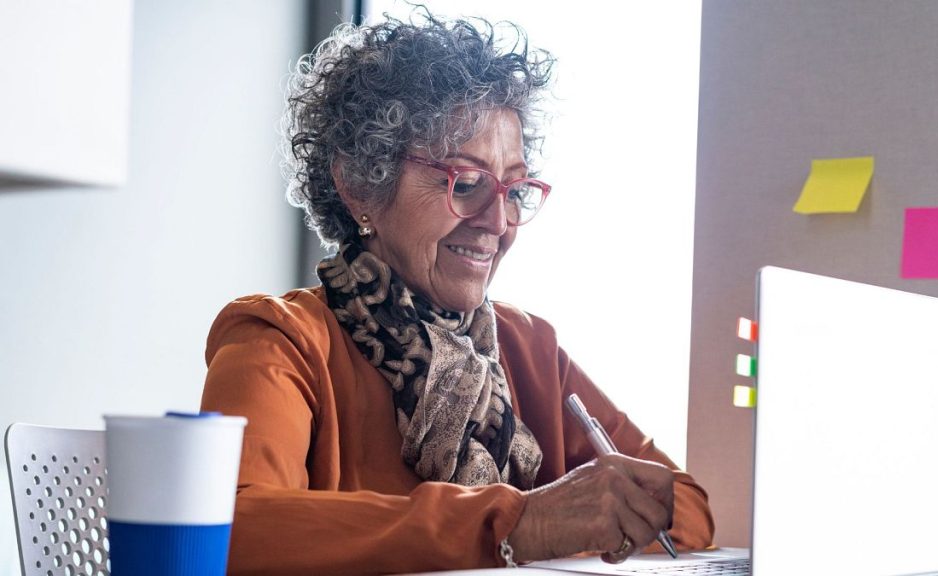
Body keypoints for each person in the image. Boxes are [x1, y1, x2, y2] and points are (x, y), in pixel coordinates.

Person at [200, 9, 714, 575]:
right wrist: (520, 524)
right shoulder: (281, 340)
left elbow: (685, 506)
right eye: (465, 184)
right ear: (358, 185)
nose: (497, 221)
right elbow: (232, 529)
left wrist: (602, 512)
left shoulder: (529, 347)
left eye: (515, 189)